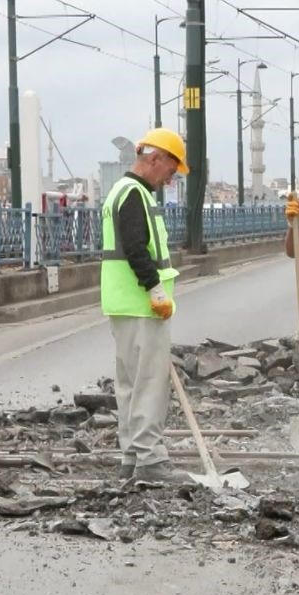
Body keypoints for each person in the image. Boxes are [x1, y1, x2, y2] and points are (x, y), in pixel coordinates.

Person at [100, 127, 189, 485]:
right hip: (143, 306)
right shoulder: (134, 194)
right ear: (155, 159)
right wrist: (155, 290)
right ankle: (150, 460)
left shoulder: (119, 192)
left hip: (123, 304)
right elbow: (136, 248)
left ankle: (132, 456)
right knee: (149, 384)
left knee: (129, 385)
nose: (169, 180)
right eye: (170, 171)